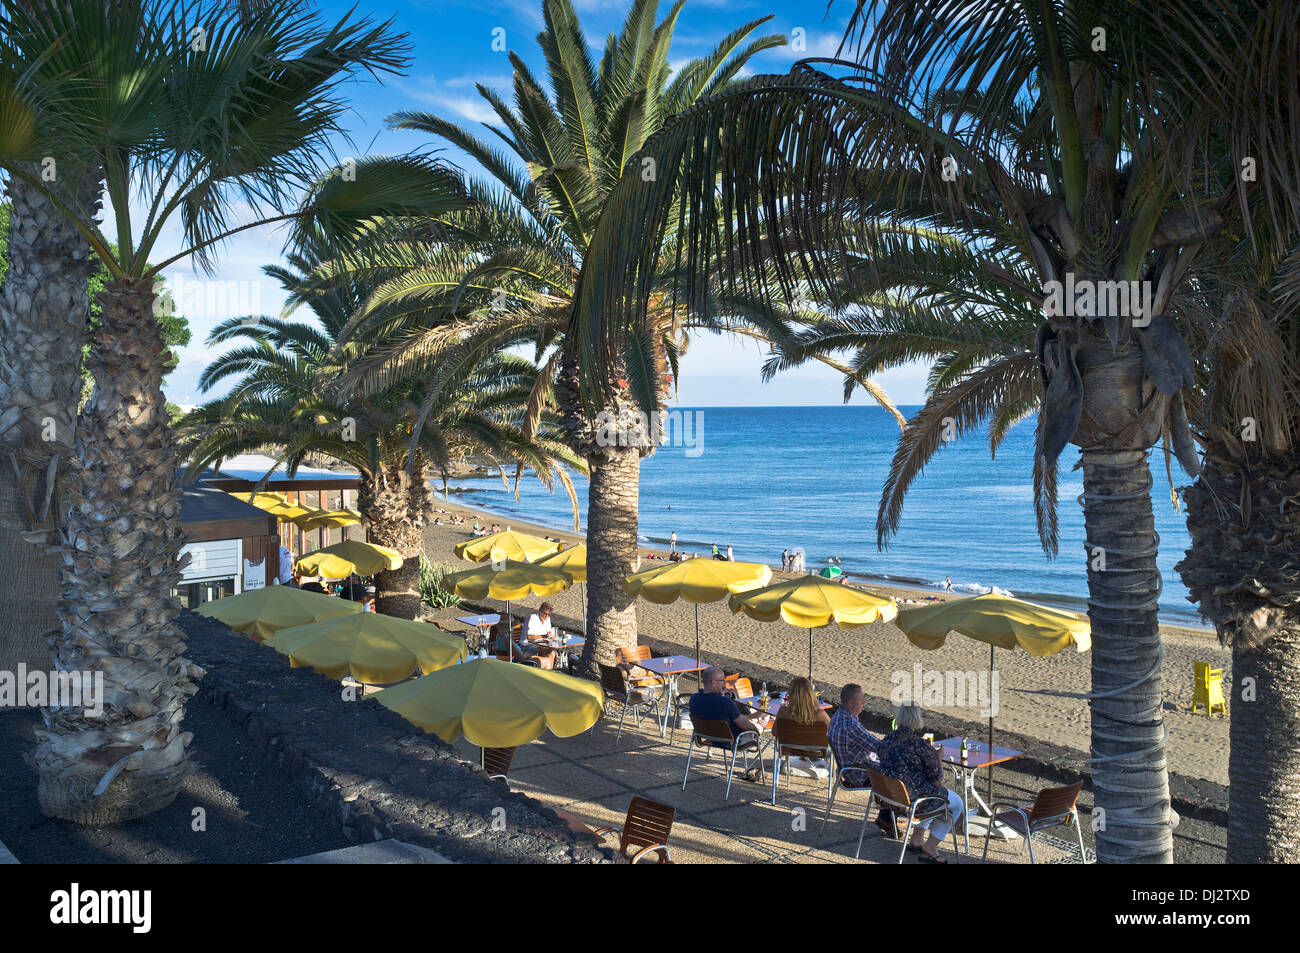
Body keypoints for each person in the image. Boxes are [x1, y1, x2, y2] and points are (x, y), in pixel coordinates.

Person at [878, 703, 964, 863]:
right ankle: (930, 845)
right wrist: (937, 758)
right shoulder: (920, 745)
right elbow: (938, 781)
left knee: (926, 793)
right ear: (917, 719)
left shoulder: (887, 738)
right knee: (956, 803)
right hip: (910, 804)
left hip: (888, 798)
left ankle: (917, 839)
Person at [828, 684, 895, 837]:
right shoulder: (850, 725)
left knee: (890, 766)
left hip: (849, 769)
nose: (864, 703)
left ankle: (887, 815)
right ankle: (890, 816)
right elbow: (880, 747)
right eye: (862, 700)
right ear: (851, 703)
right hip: (859, 774)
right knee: (898, 772)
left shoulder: (838, 716)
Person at [690, 666, 767, 739]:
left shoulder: (694, 698)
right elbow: (745, 725)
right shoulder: (725, 703)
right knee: (762, 720)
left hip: (707, 736)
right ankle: (762, 718)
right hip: (731, 740)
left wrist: (722, 695)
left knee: (751, 718)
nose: (724, 683)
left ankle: (758, 717)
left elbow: (712, 708)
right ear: (713, 682)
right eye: (722, 680)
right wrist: (756, 729)